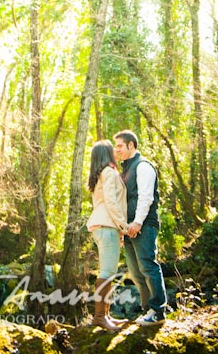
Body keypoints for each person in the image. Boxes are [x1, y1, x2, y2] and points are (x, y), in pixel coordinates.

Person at [114, 129, 167, 326]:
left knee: (148, 265)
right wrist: (123, 228)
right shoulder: (126, 169)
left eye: (120, 146)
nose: (117, 150)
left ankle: (158, 311)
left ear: (131, 145)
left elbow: (146, 197)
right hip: (129, 228)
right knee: (136, 272)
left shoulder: (143, 166)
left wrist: (137, 222)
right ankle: (148, 310)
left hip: (143, 226)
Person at [86, 139, 128, 331]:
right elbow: (112, 203)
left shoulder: (99, 174)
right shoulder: (109, 172)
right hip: (107, 225)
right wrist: (124, 226)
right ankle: (100, 317)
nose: (115, 152)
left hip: (101, 225)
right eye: (113, 149)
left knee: (108, 271)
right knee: (108, 272)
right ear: (107, 154)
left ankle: (105, 315)